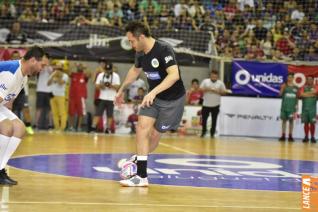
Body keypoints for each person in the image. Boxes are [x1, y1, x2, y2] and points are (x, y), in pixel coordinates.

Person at [115, 21, 186, 186]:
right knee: (141, 128)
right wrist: (121, 89)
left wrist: (153, 91)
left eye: (132, 41)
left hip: (172, 101)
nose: (131, 45)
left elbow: (174, 75)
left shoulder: (164, 49)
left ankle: (137, 158)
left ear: (141, 37)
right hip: (153, 98)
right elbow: (135, 70)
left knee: (154, 135)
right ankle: (141, 176)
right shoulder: (140, 52)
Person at [0, 46, 48, 185]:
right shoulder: (11, 73)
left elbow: (8, 103)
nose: (42, 69)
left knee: (20, 128)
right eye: (42, 65)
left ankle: (1, 168)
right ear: (33, 60)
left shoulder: (24, 78)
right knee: (6, 128)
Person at [89, 62, 120, 133]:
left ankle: (108, 128)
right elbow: (96, 86)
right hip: (102, 97)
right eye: (106, 70)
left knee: (110, 114)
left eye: (109, 70)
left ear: (111, 69)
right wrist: (101, 86)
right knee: (98, 113)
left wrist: (110, 85)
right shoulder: (101, 75)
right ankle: (93, 127)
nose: (107, 71)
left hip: (111, 98)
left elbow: (118, 87)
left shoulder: (116, 76)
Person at [9, 51, 34, 135]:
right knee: (10, 110)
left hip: (22, 93)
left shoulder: (23, 67)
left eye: (17, 56)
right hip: (10, 93)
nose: (16, 58)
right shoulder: (10, 67)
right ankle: (11, 128)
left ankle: (28, 127)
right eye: (14, 56)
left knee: (26, 110)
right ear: (11, 58)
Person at [200, 70, 227, 138]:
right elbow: (200, 89)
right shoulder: (205, 81)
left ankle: (212, 133)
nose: (214, 78)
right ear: (210, 76)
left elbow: (224, 92)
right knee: (204, 119)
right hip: (206, 104)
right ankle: (203, 132)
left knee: (214, 119)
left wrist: (217, 91)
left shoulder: (220, 83)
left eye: (215, 76)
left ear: (217, 76)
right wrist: (208, 89)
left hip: (216, 104)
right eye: (212, 76)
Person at [68, 63, 90, 131]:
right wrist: (73, 65)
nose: (80, 67)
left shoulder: (84, 75)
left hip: (81, 97)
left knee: (81, 113)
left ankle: (79, 127)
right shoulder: (73, 74)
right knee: (71, 112)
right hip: (72, 97)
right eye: (79, 66)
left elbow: (90, 74)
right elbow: (68, 72)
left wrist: (85, 67)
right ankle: (71, 127)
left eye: (81, 66)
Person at [47, 64, 69, 132]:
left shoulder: (65, 76)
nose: (57, 70)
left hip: (61, 96)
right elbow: (48, 83)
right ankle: (56, 127)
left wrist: (58, 76)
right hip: (53, 95)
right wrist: (53, 76)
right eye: (56, 69)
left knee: (62, 113)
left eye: (59, 69)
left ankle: (62, 128)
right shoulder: (53, 74)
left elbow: (61, 83)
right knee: (54, 113)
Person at [278, 73, 298, 142]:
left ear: (293, 78)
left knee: (291, 121)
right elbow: (280, 94)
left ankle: (290, 136)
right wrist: (282, 88)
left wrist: (297, 106)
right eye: (288, 77)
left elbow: (297, 98)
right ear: (287, 78)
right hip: (284, 106)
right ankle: (283, 135)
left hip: (292, 107)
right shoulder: (284, 86)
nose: (289, 78)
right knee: (284, 121)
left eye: (291, 77)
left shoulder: (296, 87)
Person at [299, 76, 317, 143]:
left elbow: (316, 92)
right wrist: (311, 94)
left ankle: (312, 137)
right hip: (305, 108)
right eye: (308, 79)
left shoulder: (316, 86)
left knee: (312, 123)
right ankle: (306, 137)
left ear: (313, 80)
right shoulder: (303, 87)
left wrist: (305, 94)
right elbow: (301, 94)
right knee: (306, 123)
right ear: (306, 80)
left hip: (313, 109)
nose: (309, 80)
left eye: (311, 79)